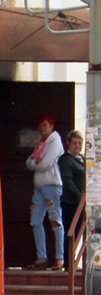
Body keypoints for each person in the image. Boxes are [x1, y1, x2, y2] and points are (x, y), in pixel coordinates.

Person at [25, 114, 64, 269]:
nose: (42, 129)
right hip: (39, 186)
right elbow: (29, 162)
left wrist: (35, 163)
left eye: (45, 125)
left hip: (52, 185)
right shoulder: (40, 144)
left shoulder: (55, 141)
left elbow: (45, 164)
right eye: (40, 126)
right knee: (35, 221)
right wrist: (35, 162)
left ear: (51, 126)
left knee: (55, 220)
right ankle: (42, 257)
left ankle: (59, 258)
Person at [58, 130, 86, 270]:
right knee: (71, 232)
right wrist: (80, 197)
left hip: (81, 203)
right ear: (68, 144)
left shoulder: (81, 158)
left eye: (79, 143)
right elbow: (68, 182)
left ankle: (73, 261)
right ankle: (69, 263)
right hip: (71, 203)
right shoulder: (66, 160)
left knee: (78, 232)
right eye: (74, 143)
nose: (77, 146)